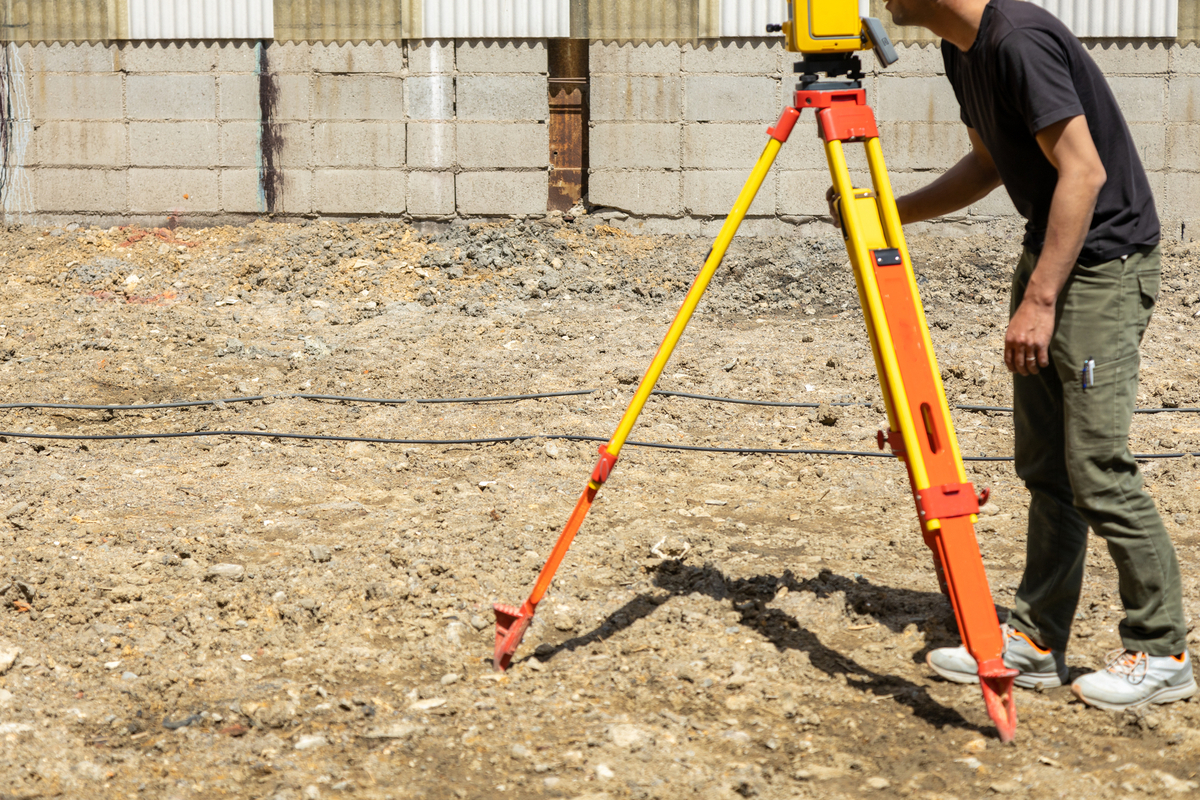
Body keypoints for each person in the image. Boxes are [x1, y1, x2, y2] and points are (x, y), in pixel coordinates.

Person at [831, 0, 1194, 710]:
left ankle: (1162, 649)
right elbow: (991, 163)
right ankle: (1034, 642)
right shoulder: (961, 50)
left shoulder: (1018, 39)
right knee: (1047, 469)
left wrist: (1041, 299)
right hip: (1053, 259)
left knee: (1097, 468)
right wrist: (887, 212)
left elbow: (1082, 174)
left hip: (1101, 267)